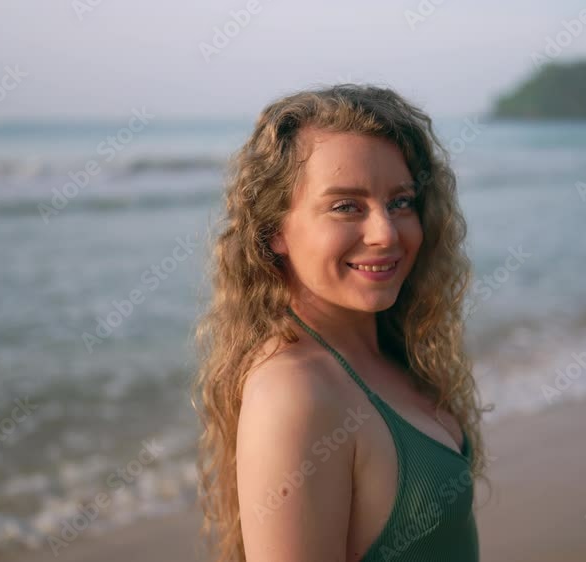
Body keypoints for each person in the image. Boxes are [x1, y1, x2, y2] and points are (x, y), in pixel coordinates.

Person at [192, 83, 491, 562]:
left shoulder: (389, 346)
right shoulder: (294, 392)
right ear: (274, 231)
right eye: (345, 206)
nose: (386, 233)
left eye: (401, 202)